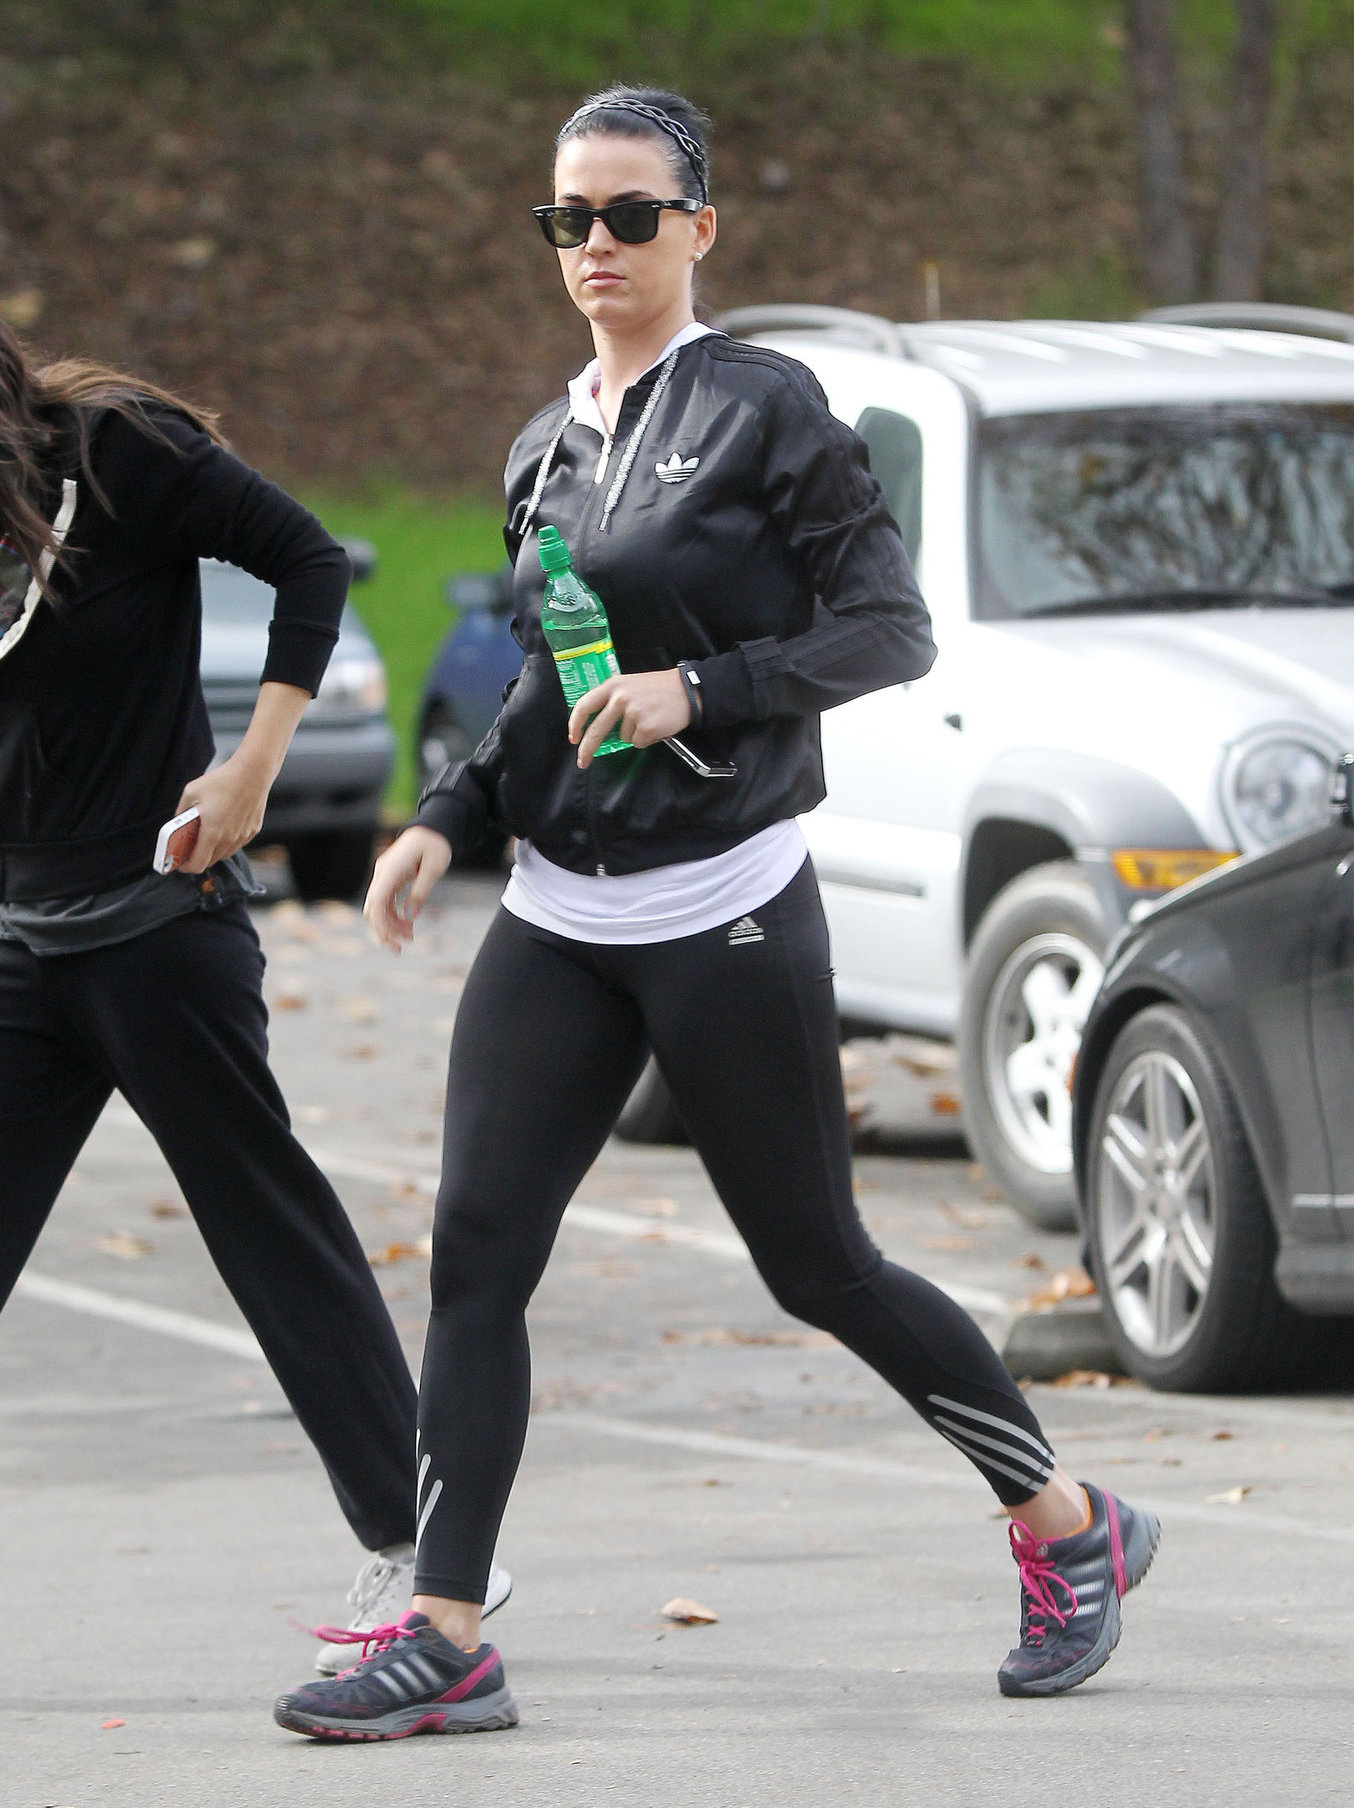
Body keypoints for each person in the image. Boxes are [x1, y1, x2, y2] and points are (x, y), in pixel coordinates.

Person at [275, 86, 1158, 1742]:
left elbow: (888, 629)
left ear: (698, 227)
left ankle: (1065, 1524)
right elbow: (547, 671)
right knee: (475, 1257)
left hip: (725, 905)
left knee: (817, 1265)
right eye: (568, 219)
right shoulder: (543, 445)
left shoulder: (764, 407)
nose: (595, 245)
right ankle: (448, 1631)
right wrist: (445, 817)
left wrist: (707, 689)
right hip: (559, 910)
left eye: (630, 214)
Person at [0, 326, 510, 1668]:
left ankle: (426, 1553)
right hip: (22, 942)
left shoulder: (118, 455)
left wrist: (251, 770)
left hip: (161, 929)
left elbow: (306, 559)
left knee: (268, 1233)